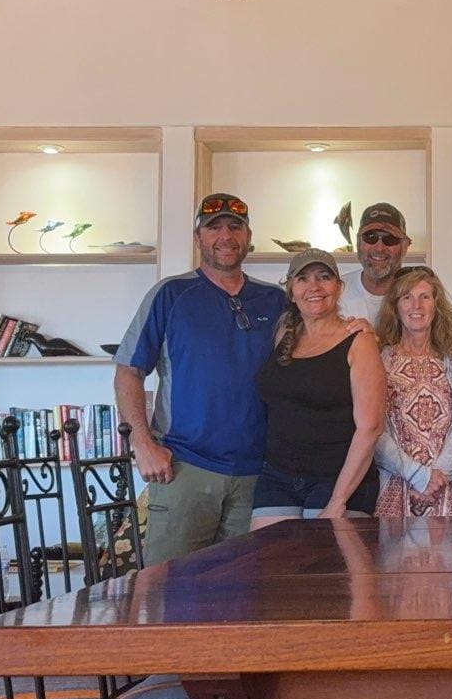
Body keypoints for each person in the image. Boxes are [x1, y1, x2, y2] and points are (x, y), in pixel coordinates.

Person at [114, 193, 286, 564]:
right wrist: (142, 444)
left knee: (250, 601)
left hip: (258, 475)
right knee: (171, 595)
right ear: (198, 239)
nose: (225, 235)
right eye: (214, 227)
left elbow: (313, 353)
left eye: (235, 226)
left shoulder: (275, 301)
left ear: (248, 235)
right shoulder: (171, 294)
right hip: (183, 467)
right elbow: (128, 371)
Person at [251, 249, 387, 525]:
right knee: (269, 565)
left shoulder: (359, 341)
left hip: (336, 479)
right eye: (302, 279)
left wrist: (338, 500)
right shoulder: (282, 334)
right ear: (291, 291)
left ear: (339, 287)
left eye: (324, 277)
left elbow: (371, 426)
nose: (313, 287)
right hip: (277, 476)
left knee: (322, 565)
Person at [373, 266, 452, 517]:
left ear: (436, 306)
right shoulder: (378, 363)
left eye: (425, 297)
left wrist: (437, 480)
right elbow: (373, 430)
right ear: (395, 307)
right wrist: (418, 476)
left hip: (446, 492)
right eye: (407, 297)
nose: (417, 305)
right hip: (397, 488)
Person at [337, 202, 411, 323]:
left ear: (405, 246)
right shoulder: (336, 293)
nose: (379, 248)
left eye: (390, 239)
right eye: (370, 237)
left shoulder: (419, 298)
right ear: (358, 242)